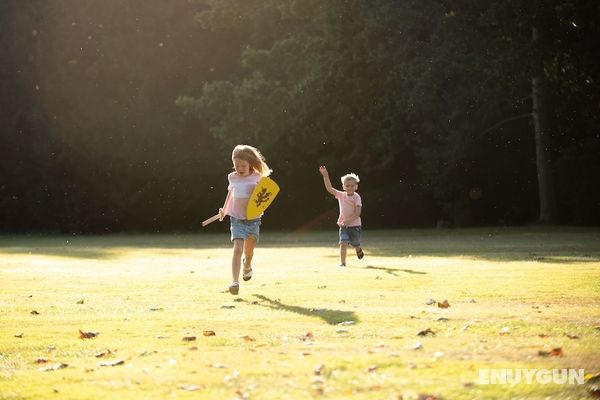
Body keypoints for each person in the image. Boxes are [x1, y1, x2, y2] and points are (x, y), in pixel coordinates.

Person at [219, 145, 272, 295]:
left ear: (250, 164)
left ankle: (247, 266)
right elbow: (230, 195)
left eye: (243, 165)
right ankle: (234, 282)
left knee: (248, 253)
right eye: (237, 165)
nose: (240, 168)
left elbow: (263, 197)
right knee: (237, 249)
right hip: (237, 219)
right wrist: (224, 209)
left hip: (253, 220)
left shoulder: (258, 177)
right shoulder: (232, 177)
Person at [319, 165, 364, 267]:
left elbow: (358, 212)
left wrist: (350, 220)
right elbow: (329, 188)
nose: (350, 188)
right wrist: (325, 175)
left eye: (352, 186)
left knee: (355, 243)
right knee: (343, 243)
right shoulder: (341, 195)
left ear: (356, 186)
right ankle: (343, 263)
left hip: (355, 226)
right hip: (343, 226)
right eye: (347, 186)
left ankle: (358, 248)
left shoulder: (357, 197)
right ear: (344, 187)